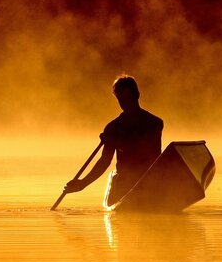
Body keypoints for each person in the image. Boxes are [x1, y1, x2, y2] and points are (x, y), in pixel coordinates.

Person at [64, 75, 163, 207]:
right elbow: (104, 161)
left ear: (137, 95)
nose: (125, 102)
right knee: (124, 182)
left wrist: (115, 142)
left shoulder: (154, 123)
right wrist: (83, 183)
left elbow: (146, 150)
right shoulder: (113, 127)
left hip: (150, 181)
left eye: (128, 97)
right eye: (120, 99)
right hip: (124, 182)